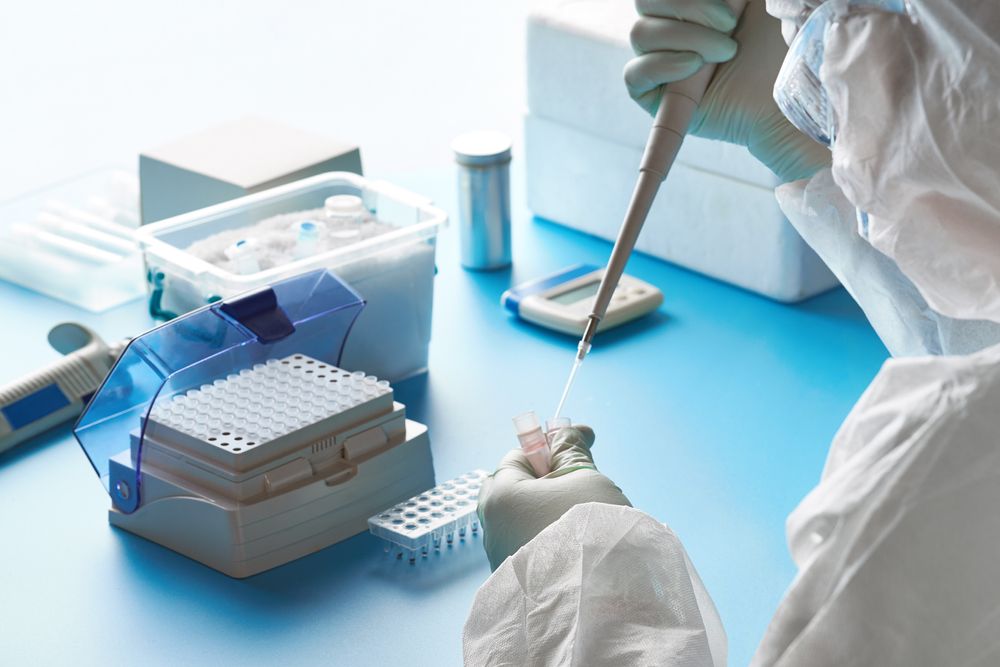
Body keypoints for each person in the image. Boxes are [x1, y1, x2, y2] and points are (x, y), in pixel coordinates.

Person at [463, 1, 1000, 664]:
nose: (808, 43)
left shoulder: (949, 483)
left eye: (837, 17)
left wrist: (574, 580)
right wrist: (804, 150)